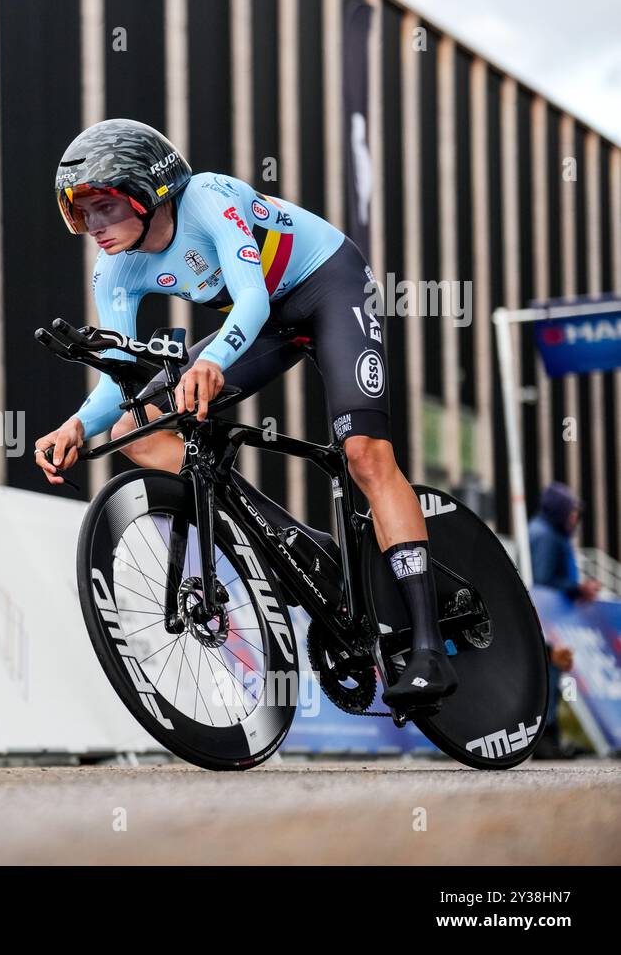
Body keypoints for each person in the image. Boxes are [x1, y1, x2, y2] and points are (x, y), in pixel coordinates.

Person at [35, 117, 458, 708]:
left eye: (102, 207)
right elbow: (118, 379)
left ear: (148, 190)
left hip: (327, 288)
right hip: (267, 324)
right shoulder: (117, 270)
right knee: (135, 421)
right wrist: (77, 425)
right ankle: (286, 540)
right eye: (79, 213)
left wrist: (213, 362)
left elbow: (253, 298)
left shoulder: (208, 198)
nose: (92, 227)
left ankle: (429, 648)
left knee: (364, 455)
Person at [528, 481, 598, 759]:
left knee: (554, 675)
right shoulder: (545, 535)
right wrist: (576, 588)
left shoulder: (551, 532)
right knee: (550, 673)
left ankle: (551, 738)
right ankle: (545, 738)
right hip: (547, 621)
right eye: (570, 513)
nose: (574, 519)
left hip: (551, 620)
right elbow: (542, 581)